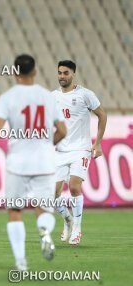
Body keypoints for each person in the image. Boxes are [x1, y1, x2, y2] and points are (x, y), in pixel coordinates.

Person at [0, 54, 67, 271]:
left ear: (14, 72)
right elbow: (62, 130)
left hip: (17, 163)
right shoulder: (48, 97)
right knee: (43, 210)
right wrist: (49, 145)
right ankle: (44, 232)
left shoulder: (7, 98)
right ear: (35, 72)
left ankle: (21, 261)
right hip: (44, 163)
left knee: (15, 211)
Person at [53, 60, 107, 246]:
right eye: (59, 73)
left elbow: (102, 115)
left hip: (81, 149)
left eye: (65, 73)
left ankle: (77, 227)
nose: (62, 76)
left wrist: (97, 144)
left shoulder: (85, 95)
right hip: (60, 150)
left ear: (73, 74)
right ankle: (67, 220)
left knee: (74, 187)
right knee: (52, 194)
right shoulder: (52, 97)